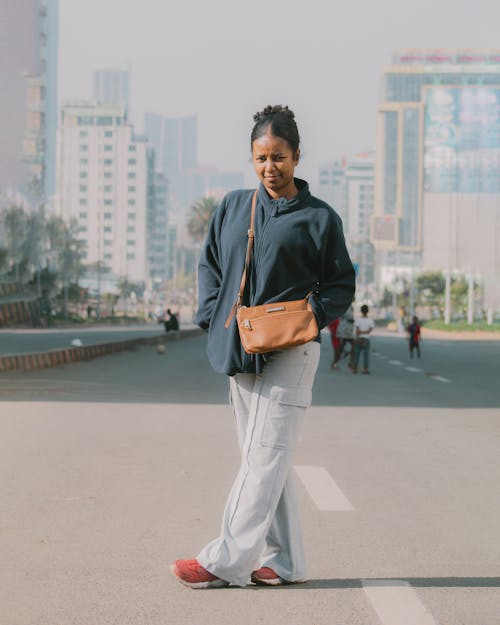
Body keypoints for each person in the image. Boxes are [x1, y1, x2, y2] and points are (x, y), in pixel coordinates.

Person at [170, 105, 355, 589]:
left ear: (298, 157)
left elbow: (341, 284)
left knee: (264, 456)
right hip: (240, 348)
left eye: (279, 157)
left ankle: (223, 561)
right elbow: (209, 263)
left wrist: (309, 317)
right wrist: (212, 315)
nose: (270, 167)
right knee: (265, 459)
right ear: (252, 158)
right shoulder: (233, 207)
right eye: (261, 158)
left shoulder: (320, 219)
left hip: (291, 352)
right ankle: (286, 562)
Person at [353, 304, 375, 374]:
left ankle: (355, 369)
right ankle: (365, 369)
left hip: (359, 338)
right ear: (367, 311)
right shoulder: (370, 320)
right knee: (366, 355)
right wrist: (364, 332)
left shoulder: (358, 320)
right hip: (366, 339)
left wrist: (359, 335)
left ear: (361, 311)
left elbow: (357, 331)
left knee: (356, 355)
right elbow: (369, 331)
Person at [333, 303, 355, 370]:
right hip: (345, 328)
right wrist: (353, 320)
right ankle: (350, 363)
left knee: (342, 346)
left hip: (346, 329)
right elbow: (348, 316)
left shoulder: (348, 304)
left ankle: (335, 363)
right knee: (352, 346)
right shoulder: (347, 305)